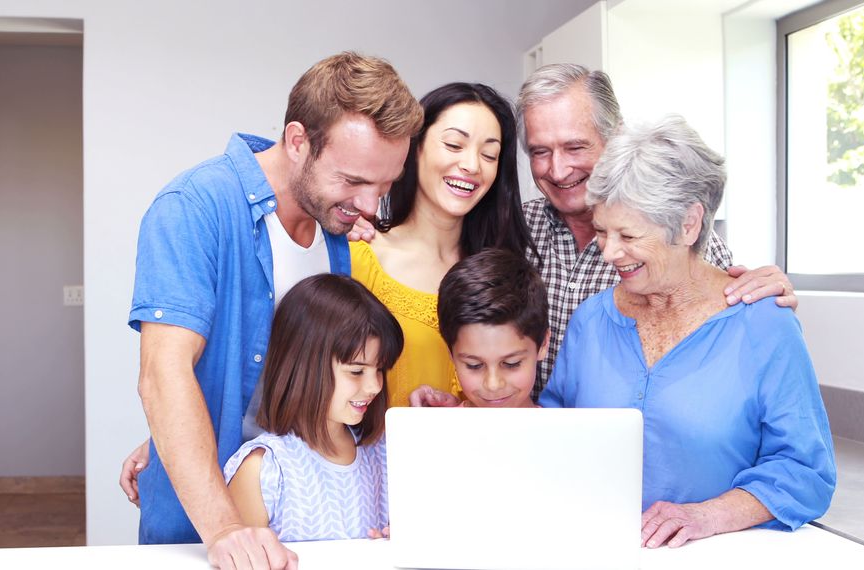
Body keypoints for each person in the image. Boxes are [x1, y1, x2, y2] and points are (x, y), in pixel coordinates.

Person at [127, 51, 421, 567]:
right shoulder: (194, 209)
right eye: (353, 180)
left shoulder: (336, 236)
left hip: (301, 518)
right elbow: (163, 372)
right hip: (208, 527)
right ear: (298, 141)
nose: (371, 206)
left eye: (385, 184)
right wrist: (225, 530)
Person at [539, 115, 836, 549]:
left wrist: (707, 516)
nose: (609, 252)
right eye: (602, 231)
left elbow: (805, 470)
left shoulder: (764, 323)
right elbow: (550, 434)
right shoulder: (589, 321)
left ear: (689, 224)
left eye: (628, 234)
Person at [516, 63, 798, 397]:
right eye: (540, 152)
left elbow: (730, 344)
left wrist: (767, 301)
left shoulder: (681, 243)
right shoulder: (513, 231)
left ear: (616, 137)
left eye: (575, 147)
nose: (559, 170)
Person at [351, 82, 533, 406]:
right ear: (415, 147)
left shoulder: (505, 277)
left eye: (488, 154)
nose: (472, 165)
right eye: (454, 144)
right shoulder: (360, 257)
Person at [223, 273, 402, 541]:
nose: (375, 386)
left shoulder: (382, 452)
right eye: (356, 371)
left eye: (380, 370)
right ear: (305, 366)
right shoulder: (265, 470)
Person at [407, 248, 549, 409]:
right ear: (450, 353)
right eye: (474, 365)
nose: (493, 384)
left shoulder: (563, 433)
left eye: (511, 363)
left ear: (543, 343)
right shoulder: (437, 428)